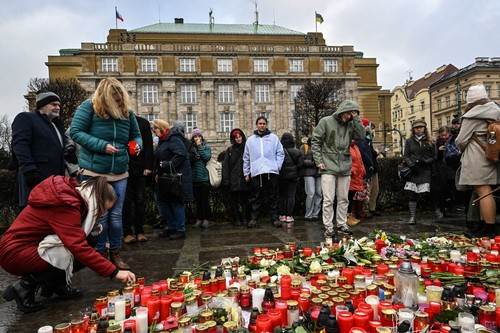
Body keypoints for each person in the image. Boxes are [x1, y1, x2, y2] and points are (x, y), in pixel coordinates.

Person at [0, 176, 136, 313]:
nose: (103, 213)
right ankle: (24, 287)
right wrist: (114, 272)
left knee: (90, 240)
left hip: (25, 247)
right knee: (76, 250)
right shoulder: (67, 204)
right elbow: (78, 247)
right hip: (14, 253)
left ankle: (57, 285)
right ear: (98, 200)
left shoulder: (76, 196)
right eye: (103, 209)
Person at [70, 78, 143, 270]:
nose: (119, 103)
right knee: (100, 215)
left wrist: (136, 146)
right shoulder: (88, 107)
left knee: (117, 216)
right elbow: (75, 132)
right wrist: (102, 146)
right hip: (95, 171)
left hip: (120, 171)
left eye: (121, 100)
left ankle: (116, 252)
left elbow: (136, 135)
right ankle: (100, 254)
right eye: (115, 100)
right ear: (106, 98)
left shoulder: (127, 112)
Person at [311, 100, 365, 242]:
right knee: (328, 199)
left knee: (343, 198)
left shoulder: (352, 123)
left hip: (345, 165)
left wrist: (357, 118)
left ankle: (341, 224)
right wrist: (318, 161)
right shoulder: (326, 121)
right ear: (342, 111)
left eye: (352, 113)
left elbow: (361, 136)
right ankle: (328, 226)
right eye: (348, 113)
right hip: (328, 164)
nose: (349, 116)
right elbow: (315, 141)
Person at [455, 84, 500, 237]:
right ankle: (483, 225)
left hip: (477, 157)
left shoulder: (472, 115)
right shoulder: (496, 111)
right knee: (486, 191)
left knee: (483, 191)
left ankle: (489, 227)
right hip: (492, 155)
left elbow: (461, 140)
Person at [11, 91, 66, 208]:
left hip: (55, 180)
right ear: (42, 105)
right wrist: (30, 170)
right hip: (34, 178)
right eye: (53, 104)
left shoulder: (56, 125)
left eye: (59, 105)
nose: (57, 107)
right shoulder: (26, 118)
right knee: (31, 217)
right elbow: (20, 145)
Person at [154, 120, 193, 240]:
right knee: (165, 202)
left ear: (161, 128)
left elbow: (181, 155)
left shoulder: (173, 139)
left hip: (175, 178)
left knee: (176, 203)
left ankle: (180, 229)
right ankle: (171, 227)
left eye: (155, 129)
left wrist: (166, 164)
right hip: (165, 178)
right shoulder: (163, 140)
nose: (154, 132)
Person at [243, 116, 285, 228]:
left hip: (271, 171)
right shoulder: (250, 140)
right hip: (256, 172)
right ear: (256, 125)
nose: (262, 125)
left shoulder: (274, 138)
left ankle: (274, 218)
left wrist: (277, 166)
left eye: (264, 123)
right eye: (260, 123)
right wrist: (246, 173)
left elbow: (280, 153)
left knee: (273, 196)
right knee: (255, 197)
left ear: (266, 125)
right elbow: (246, 157)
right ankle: (254, 218)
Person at [123, 115, 154, 244]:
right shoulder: (119, 122)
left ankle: (140, 231)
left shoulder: (143, 123)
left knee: (140, 201)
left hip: (140, 168)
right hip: (124, 168)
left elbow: (148, 146)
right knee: (125, 201)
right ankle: (127, 232)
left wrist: (148, 166)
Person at [403, 120, 435, 225]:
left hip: (425, 170)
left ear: (425, 129)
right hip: (413, 170)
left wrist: (426, 161)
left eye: (421, 127)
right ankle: (412, 216)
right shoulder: (409, 141)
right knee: (412, 194)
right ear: (413, 130)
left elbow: (434, 156)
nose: (419, 129)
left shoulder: (430, 141)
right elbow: (406, 155)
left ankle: (432, 213)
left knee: (425, 194)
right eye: (416, 128)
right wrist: (411, 164)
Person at [222, 128, 250, 226]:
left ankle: (245, 218)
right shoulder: (229, 150)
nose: (238, 139)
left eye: (239, 137)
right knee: (234, 201)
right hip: (233, 179)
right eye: (236, 137)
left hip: (244, 178)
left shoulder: (247, 148)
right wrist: (226, 180)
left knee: (244, 201)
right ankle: (237, 219)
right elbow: (225, 166)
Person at [278, 132, 303, 226]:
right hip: (293, 177)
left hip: (281, 177)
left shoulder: (280, 151)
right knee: (291, 196)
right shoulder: (297, 151)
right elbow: (301, 165)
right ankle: (289, 216)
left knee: (282, 196)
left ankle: (282, 215)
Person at [189, 128, 212, 229]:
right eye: (195, 136)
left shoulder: (206, 147)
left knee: (205, 200)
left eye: (198, 136)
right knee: (197, 201)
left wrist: (199, 147)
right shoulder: (190, 148)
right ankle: (199, 219)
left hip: (204, 178)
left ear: (201, 137)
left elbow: (206, 157)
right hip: (194, 178)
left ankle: (206, 219)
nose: (197, 138)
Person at [432, 126, 454, 219]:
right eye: (442, 135)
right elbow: (435, 157)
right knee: (441, 189)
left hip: (451, 168)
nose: (444, 137)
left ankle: (449, 207)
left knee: (451, 189)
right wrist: (439, 151)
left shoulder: (453, 140)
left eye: (445, 135)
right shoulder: (437, 143)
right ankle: (442, 208)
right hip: (441, 169)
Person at [300, 137, 322, 221]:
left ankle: (315, 214)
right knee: (311, 193)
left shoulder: (321, 147)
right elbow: (302, 160)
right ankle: (308, 215)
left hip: (319, 173)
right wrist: (314, 163)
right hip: (308, 172)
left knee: (319, 194)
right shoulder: (304, 147)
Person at [347, 140, 366, 226]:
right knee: (348, 197)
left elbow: (360, 160)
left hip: (357, 176)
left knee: (351, 197)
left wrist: (362, 170)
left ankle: (350, 216)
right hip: (351, 175)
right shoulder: (347, 147)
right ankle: (346, 217)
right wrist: (352, 170)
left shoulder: (355, 147)